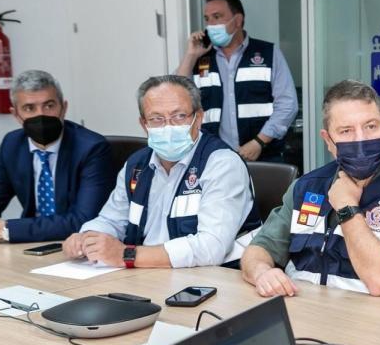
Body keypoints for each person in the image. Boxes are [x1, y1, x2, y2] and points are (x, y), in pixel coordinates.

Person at [242, 80, 380, 297]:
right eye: (346, 131)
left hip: (372, 324)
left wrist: (347, 208)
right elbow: (259, 249)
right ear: (328, 140)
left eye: (371, 126)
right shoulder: (306, 188)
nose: (360, 140)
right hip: (304, 312)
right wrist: (262, 273)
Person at [63, 75, 258, 268]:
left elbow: (211, 248)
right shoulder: (136, 165)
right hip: (146, 273)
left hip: (213, 278)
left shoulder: (222, 163)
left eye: (179, 116)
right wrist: (86, 238)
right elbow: (111, 220)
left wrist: (126, 255)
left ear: (198, 118)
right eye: (156, 119)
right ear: (144, 125)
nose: (168, 127)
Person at [0, 70, 114, 246]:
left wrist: (1, 230)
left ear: (64, 108)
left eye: (49, 105)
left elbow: (83, 220)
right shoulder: (12, 144)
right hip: (28, 245)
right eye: (29, 108)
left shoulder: (91, 147)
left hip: (77, 246)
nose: (40, 115)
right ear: (16, 115)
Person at [176, 0, 297, 163]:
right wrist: (191, 55)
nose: (211, 24)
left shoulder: (268, 53)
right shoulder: (199, 58)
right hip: (213, 157)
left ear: (238, 20)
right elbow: (176, 97)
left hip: (264, 155)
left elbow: (287, 104)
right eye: (207, 19)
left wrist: (259, 142)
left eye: (217, 17)